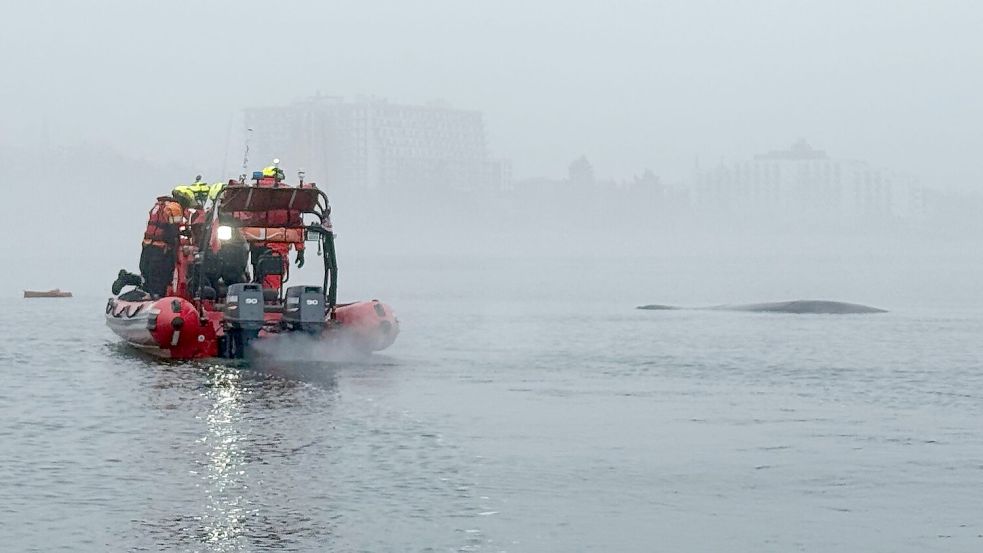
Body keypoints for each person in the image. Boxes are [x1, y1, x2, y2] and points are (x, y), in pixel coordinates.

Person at [138, 193, 188, 297]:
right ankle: (157, 296)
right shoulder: (174, 207)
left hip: (147, 246)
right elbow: (173, 229)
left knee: (147, 273)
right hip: (161, 249)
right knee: (161, 276)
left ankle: (146, 291)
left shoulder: (158, 206)